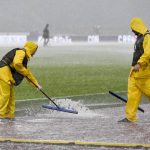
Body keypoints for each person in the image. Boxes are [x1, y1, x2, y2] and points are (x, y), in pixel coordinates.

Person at [0, 41, 42, 124]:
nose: (34, 53)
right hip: (3, 71)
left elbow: (27, 73)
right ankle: (1, 115)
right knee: (5, 95)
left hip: (7, 73)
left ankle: (9, 115)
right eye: (34, 51)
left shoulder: (24, 58)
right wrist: (23, 71)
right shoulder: (21, 52)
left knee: (11, 96)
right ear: (31, 49)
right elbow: (17, 63)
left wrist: (36, 85)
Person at [119, 17, 150, 123]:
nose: (132, 31)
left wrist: (139, 64)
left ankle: (130, 116)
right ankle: (130, 117)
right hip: (134, 71)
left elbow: (148, 53)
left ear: (137, 26)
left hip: (143, 72)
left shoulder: (147, 37)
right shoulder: (140, 36)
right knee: (132, 94)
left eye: (133, 28)